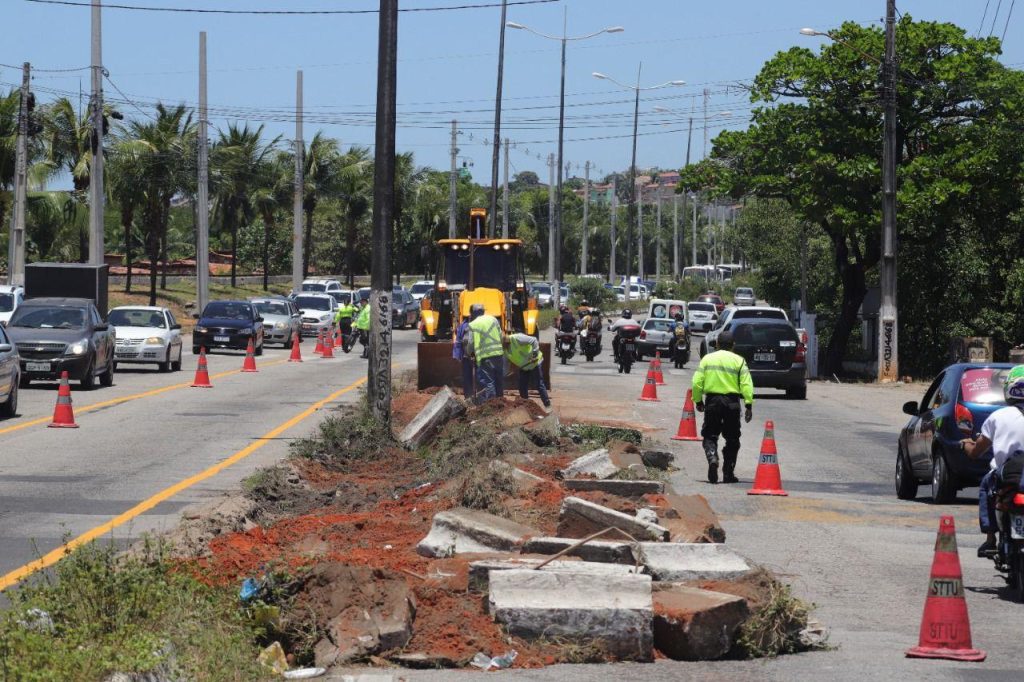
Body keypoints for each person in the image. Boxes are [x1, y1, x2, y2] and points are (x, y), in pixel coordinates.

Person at [962, 365, 1024, 557]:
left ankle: (990, 538)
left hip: (1007, 475)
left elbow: (975, 452)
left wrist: (964, 443)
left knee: (985, 487)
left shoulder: (998, 416)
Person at [691, 330, 754, 484]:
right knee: (733, 439)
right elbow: (746, 384)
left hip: (713, 402)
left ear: (717, 344)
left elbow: (697, 382)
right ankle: (728, 473)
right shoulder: (739, 361)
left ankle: (712, 457)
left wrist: (698, 401)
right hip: (732, 403)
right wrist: (748, 404)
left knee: (710, 435)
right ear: (733, 345)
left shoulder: (707, 359)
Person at [464, 303, 504, 403]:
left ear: (472, 314)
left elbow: (471, 343)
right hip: (498, 354)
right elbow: (500, 336)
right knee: (499, 380)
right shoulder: (493, 320)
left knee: (489, 381)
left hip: (486, 357)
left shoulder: (473, 325)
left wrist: (469, 353)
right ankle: (501, 403)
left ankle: (492, 406)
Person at [505, 332, 551, 409]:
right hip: (524, 366)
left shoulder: (516, 338)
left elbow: (534, 340)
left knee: (539, 384)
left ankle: (547, 405)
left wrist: (535, 354)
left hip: (534, 362)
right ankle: (526, 407)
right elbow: (512, 360)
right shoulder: (505, 350)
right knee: (522, 386)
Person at [453, 315, 475, 398]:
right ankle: (468, 396)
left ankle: (477, 397)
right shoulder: (463, 325)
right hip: (467, 356)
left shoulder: (465, 325)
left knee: (477, 377)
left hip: (477, 356)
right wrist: (457, 355)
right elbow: (458, 341)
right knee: (467, 377)